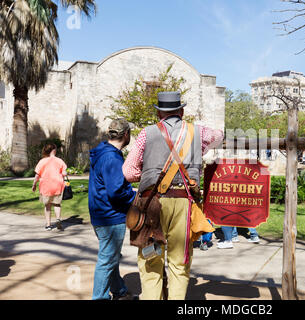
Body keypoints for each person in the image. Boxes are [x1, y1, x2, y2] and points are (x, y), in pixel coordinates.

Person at [123, 91, 223, 300]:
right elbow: (219, 137)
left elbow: (129, 172)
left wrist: (152, 174)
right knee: (179, 263)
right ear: (182, 111)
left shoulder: (146, 133)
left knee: (151, 262)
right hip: (183, 203)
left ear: (159, 113)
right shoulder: (197, 132)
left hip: (151, 203)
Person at [88, 118, 137, 300]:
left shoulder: (103, 152)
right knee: (107, 259)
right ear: (126, 135)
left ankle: (119, 290)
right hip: (110, 216)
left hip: (100, 213)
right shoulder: (111, 157)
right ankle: (99, 297)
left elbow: (111, 185)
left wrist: (128, 190)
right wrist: (135, 197)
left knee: (111, 256)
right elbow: (116, 192)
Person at [32, 143, 67, 231]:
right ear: (54, 150)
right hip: (57, 185)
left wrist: (34, 184)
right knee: (57, 204)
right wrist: (67, 183)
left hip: (46, 186)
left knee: (47, 206)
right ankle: (58, 219)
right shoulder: (59, 161)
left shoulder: (42, 161)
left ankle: (48, 225)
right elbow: (64, 173)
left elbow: (37, 175)